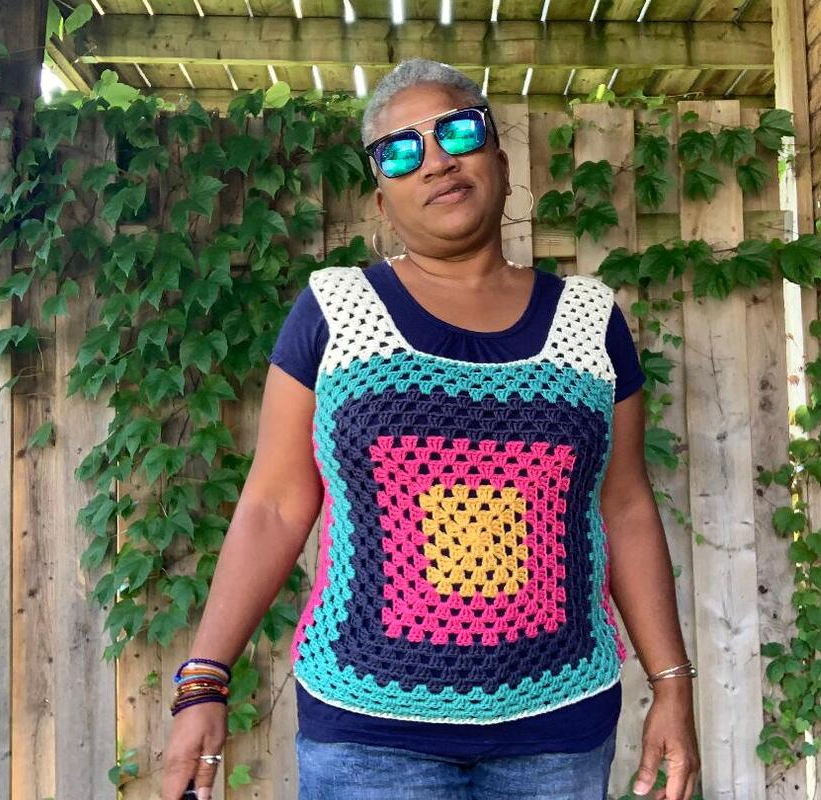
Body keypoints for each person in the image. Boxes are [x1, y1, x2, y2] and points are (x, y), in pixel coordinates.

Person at [160, 58, 701, 800]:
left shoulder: (590, 321)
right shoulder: (335, 312)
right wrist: (204, 678)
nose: (437, 160)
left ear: (500, 163)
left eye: (458, 132)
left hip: (557, 734)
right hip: (368, 735)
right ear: (381, 200)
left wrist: (672, 683)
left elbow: (626, 506)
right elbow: (275, 505)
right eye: (400, 150)